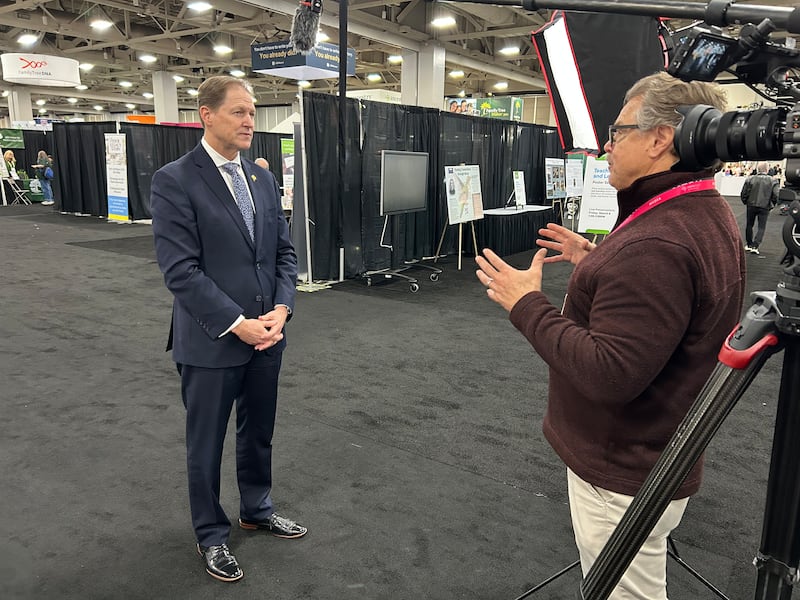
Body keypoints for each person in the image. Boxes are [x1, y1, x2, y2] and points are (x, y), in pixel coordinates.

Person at [475, 71, 746, 600]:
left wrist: (525, 303)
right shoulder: (698, 211)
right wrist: (600, 262)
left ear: (660, 139)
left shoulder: (657, 242)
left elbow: (609, 373)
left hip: (623, 469)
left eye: (618, 131)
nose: (608, 144)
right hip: (656, 454)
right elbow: (667, 304)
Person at [150, 75, 305, 584]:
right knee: (206, 444)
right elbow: (181, 272)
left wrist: (282, 310)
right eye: (238, 111)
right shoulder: (175, 179)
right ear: (206, 115)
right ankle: (211, 535)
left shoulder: (261, 179)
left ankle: (256, 508)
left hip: (269, 336)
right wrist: (239, 325)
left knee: (258, 433)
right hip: (212, 340)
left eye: (252, 112)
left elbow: (283, 253)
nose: (249, 121)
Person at [741, 161, 779, 255]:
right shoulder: (773, 180)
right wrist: (772, 204)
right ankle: (755, 245)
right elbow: (776, 195)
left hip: (751, 205)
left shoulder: (750, 179)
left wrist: (746, 201)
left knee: (749, 224)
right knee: (761, 227)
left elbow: (744, 193)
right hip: (764, 206)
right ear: (767, 169)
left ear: (758, 169)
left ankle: (749, 244)